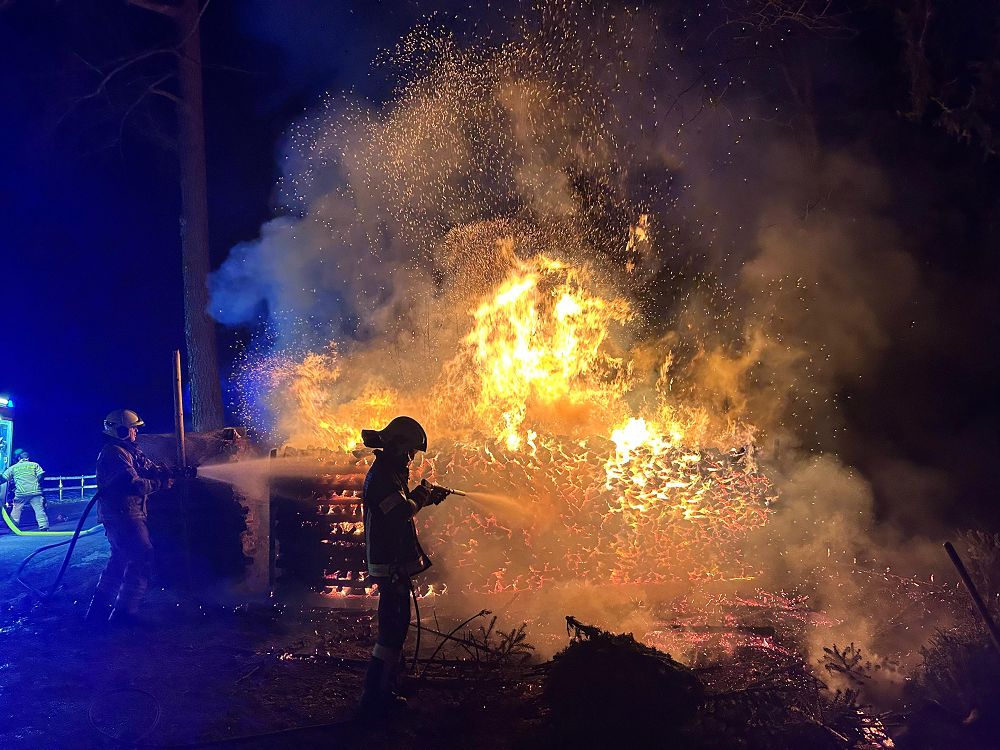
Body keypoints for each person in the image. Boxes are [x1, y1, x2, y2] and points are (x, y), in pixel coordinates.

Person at [358, 416, 450, 714]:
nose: (411, 458)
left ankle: (387, 688)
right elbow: (400, 512)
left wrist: (425, 497)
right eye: (409, 450)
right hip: (389, 564)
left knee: (396, 629)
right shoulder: (382, 476)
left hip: (393, 563)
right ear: (396, 445)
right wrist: (423, 494)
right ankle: (375, 698)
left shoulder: (390, 473)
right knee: (392, 631)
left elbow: (402, 507)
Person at [85, 409, 173, 626]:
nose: (135, 432)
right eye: (133, 428)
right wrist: (160, 484)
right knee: (142, 557)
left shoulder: (127, 451)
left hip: (124, 514)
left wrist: (165, 472)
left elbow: (146, 468)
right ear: (121, 430)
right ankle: (125, 613)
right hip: (123, 515)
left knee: (120, 559)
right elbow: (131, 484)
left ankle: (98, 613)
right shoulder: (114, 453)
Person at [1, 448, 48, 530]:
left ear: (18, 458)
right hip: (35, 492)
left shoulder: (13, 468)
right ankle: (44, 527)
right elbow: (41, 477)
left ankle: (13, 527)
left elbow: (3, 479)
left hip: (21, 493)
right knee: (39, 510)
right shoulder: (35, 465)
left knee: (16, 510)